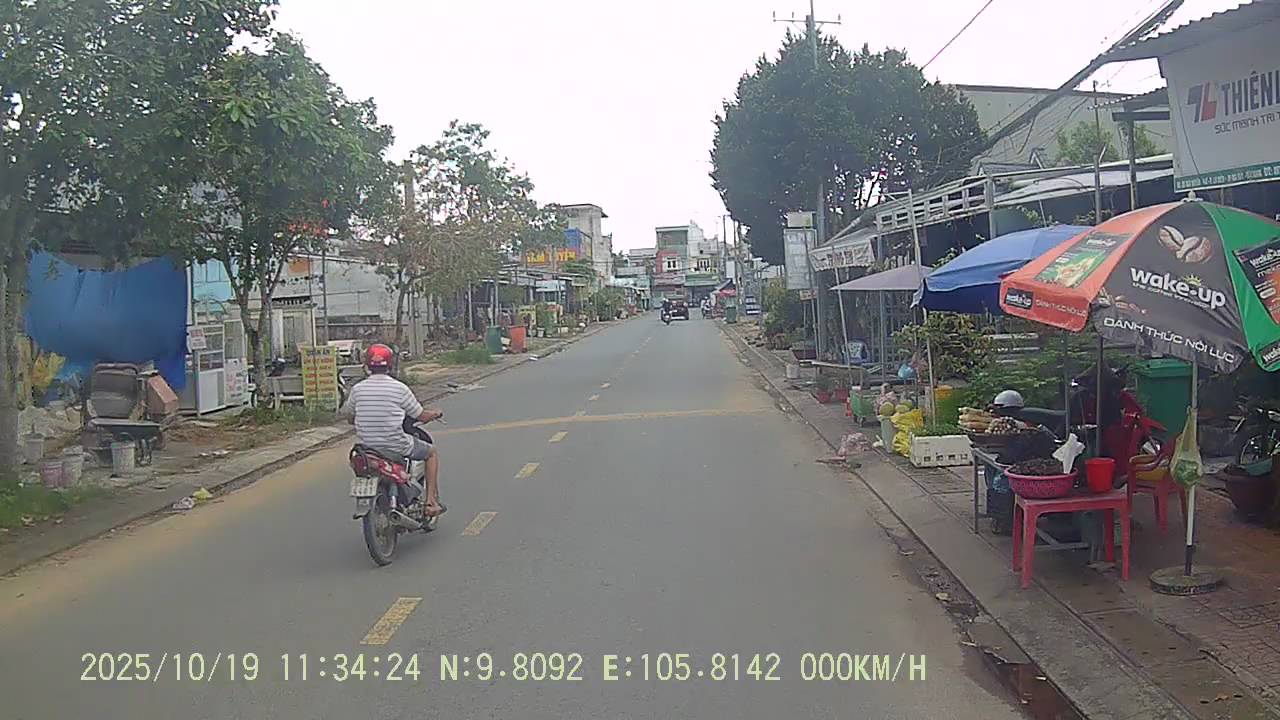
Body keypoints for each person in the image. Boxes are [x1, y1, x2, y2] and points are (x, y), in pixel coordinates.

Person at [340, 344, 445, 517]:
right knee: (431, 453)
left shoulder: (358, 389)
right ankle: (431, 502)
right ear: (390, 364)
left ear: (367, 365)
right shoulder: (399, 388)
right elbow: (421, 416)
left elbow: (348, 415)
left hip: (368, 448)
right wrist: (435, 413)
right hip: (396, 445)